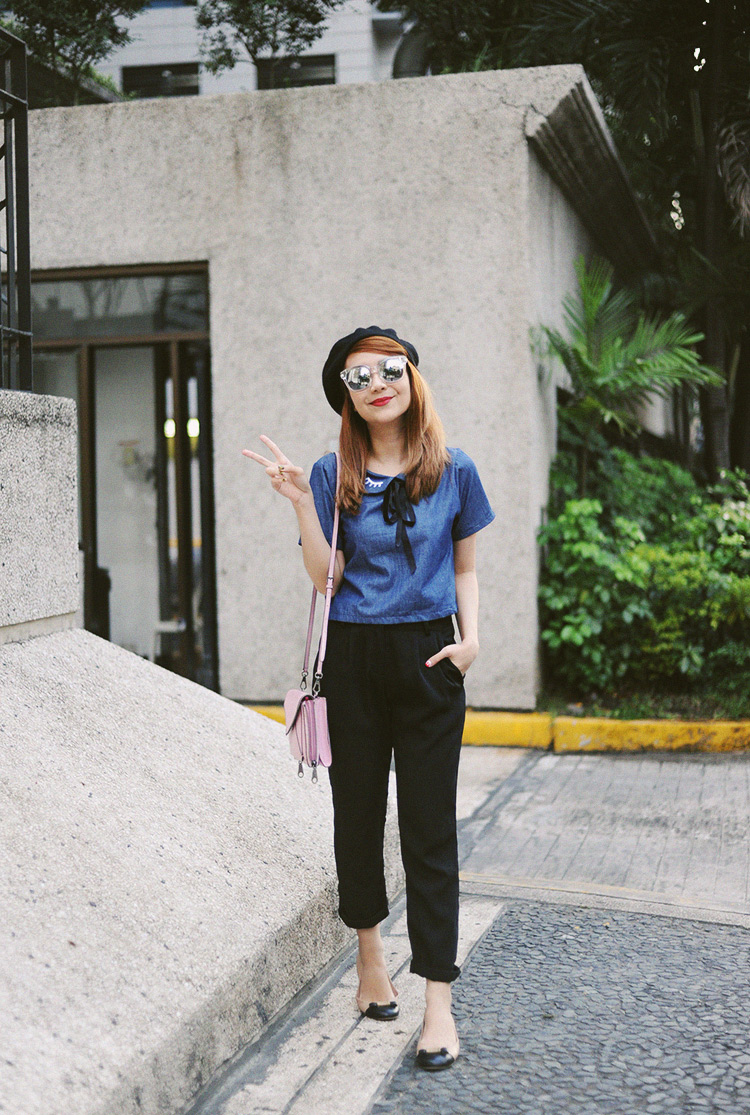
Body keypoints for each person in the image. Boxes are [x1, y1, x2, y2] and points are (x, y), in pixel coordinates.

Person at [242, 326, 495, 1071]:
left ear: (411, 376)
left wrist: (472, 640)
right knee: (356, 817)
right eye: (359, 377)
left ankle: (438, 1003)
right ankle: (369, 958)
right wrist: (301, 503)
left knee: (429, 830)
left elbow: (465, 566)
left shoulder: (456, 468)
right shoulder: (332, 472)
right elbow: (327, 577)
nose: (377, 384)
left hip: (429, 658)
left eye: (389, 369)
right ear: (345, 396)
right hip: (352, 657)